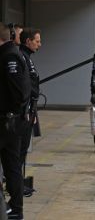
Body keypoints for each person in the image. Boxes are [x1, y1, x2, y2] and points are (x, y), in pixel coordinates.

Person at [0, 22, 31, 220]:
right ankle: (14, 208)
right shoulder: (8, 53)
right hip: (10, 121)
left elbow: (18, 92)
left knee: (11, 166)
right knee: (11, 165)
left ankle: (16, 208)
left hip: (8, 122)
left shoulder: (9, 55)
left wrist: (12, 113)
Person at [19, 28, 41, 197]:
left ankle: (18, 183)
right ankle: (17, 186)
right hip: (23, 112)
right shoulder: (22, 57)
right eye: (37, 41)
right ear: (28, 41)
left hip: (30, 109)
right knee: (19, 150)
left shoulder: (28, 58)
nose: (39, 44)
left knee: (24, 149)